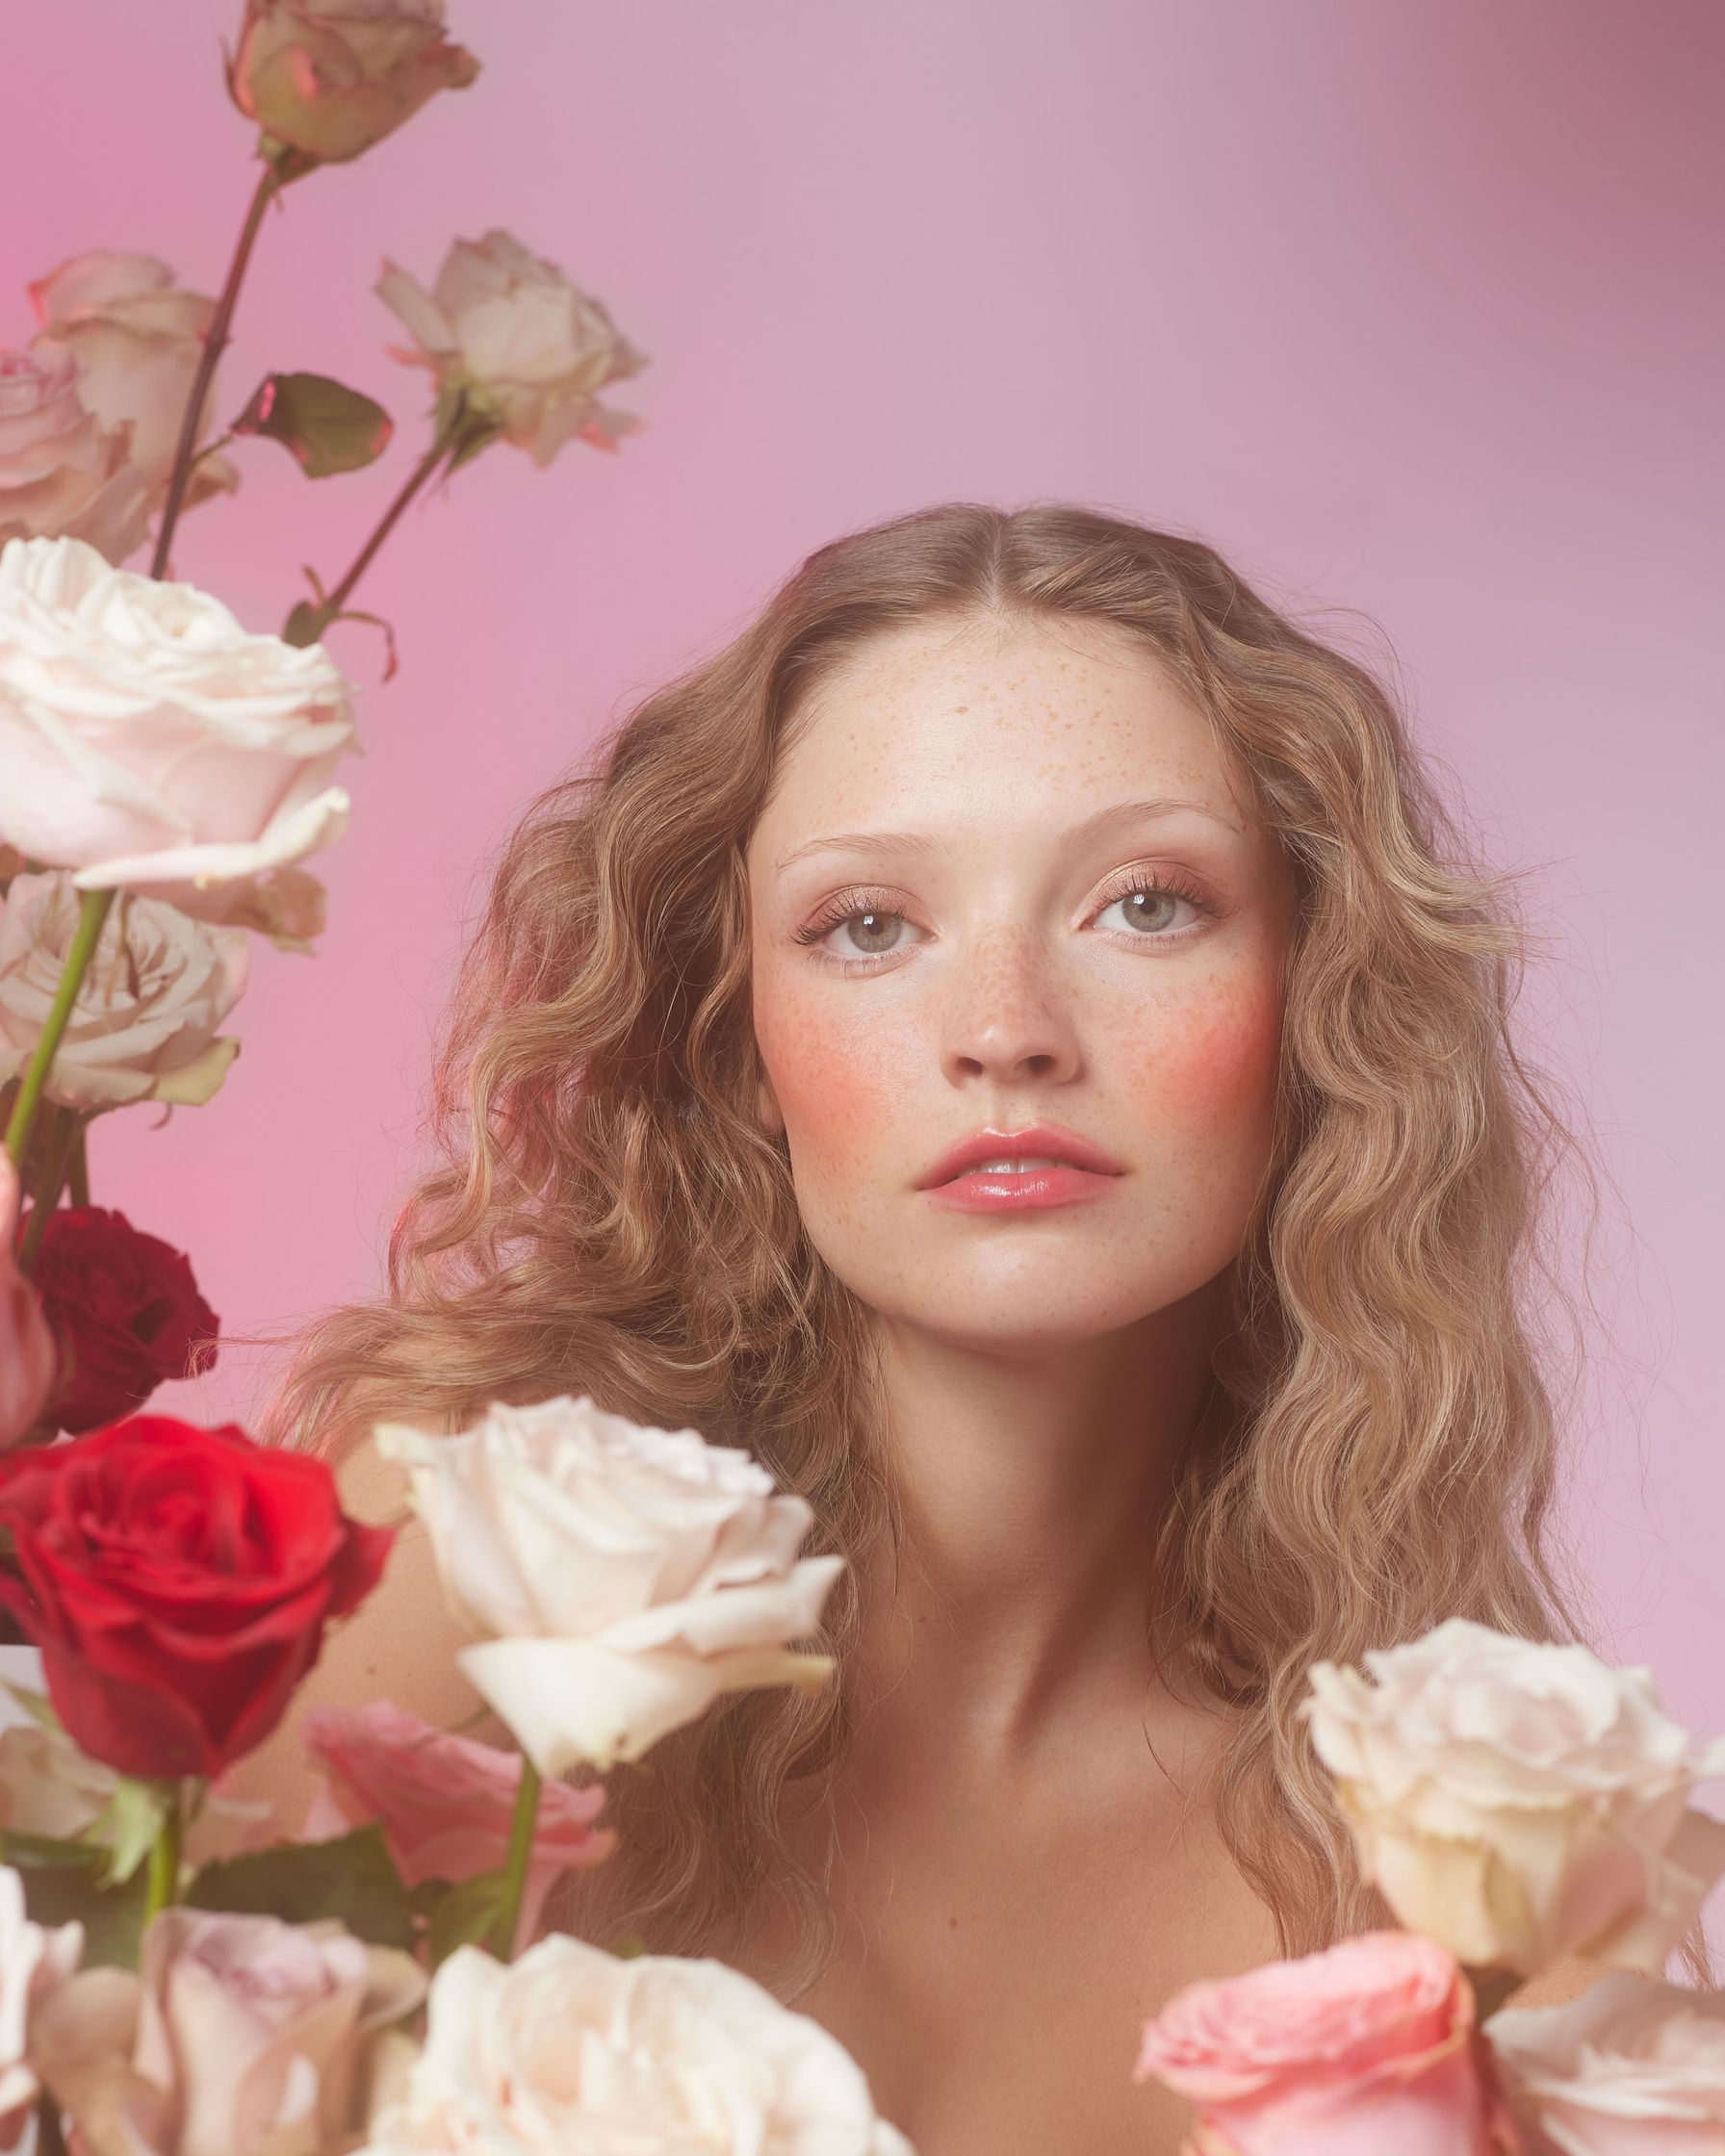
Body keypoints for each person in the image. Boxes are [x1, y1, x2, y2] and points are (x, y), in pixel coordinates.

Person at [236, 500, 1682, 2154]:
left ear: (1321, 1004)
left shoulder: (1437, 1849)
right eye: (870, 926)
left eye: (1145, 905)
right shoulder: (454, 1572)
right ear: (736, 1047)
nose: (1006, 1033)